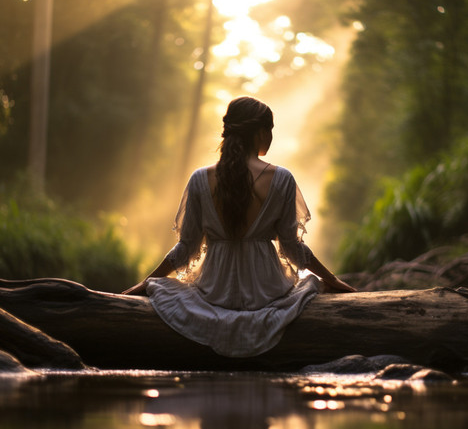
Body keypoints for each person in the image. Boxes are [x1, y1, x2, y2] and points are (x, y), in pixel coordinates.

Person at [123, 96, 356, 357]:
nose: (271, 137)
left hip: (213, 293)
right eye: (270, 130)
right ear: (259, 133)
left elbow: (186, 247)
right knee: (310, 285)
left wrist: (147, 282)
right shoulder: (281, 178)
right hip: (267, 293)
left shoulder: (201, 178)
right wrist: (332, 280)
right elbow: (292, 247)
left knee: (165, 290)